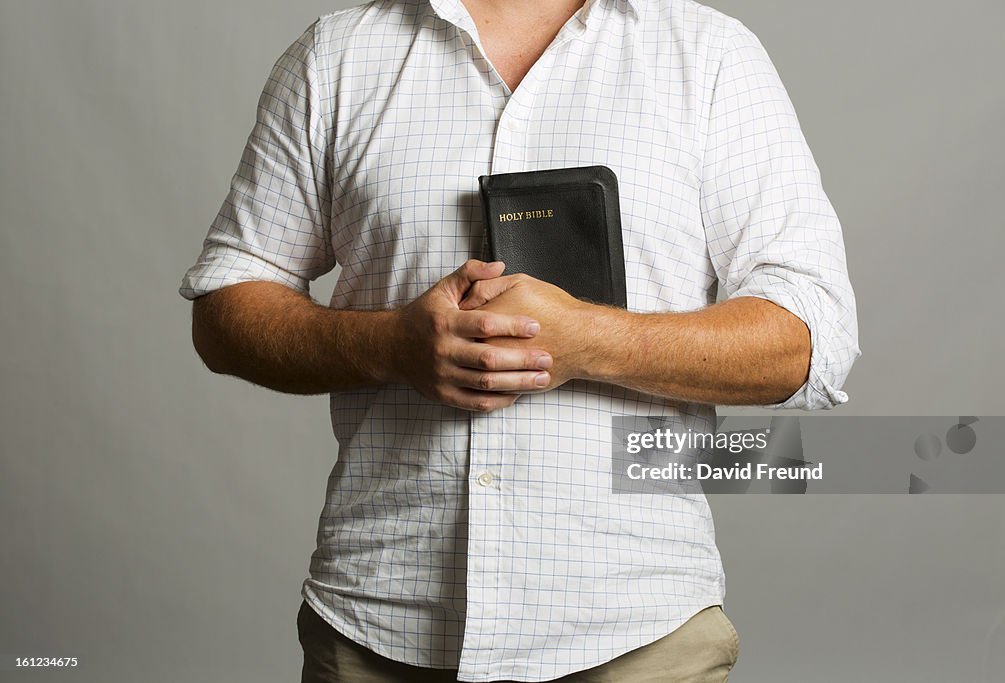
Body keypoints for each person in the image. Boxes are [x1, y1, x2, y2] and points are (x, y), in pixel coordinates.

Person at [179, 0, 860, 680]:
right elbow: (226, 309)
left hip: (637, 638)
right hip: (378, 630)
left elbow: (806, 338)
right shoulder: (338, 56)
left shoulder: (709, 56)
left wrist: (587, 341)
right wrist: (391, 345)